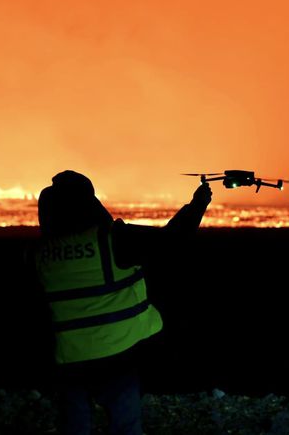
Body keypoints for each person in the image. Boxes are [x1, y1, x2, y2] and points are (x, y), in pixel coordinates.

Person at [34, 170, 211, 435]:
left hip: (68, 359)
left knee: (75, 425)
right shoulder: (112, 240)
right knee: (125, 425)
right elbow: (171, 240)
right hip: (117, 355)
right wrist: (198, 204)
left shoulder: (38, 254)